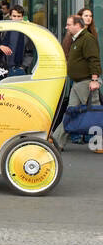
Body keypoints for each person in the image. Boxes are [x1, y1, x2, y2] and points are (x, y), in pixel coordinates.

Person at [52, 15, 101, 151]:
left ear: (78, 25)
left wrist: (94, 80)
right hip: (78, 83)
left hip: (86, 83)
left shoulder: (87, 39)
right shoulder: (77, 39)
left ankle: (99, 144)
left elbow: (94, 59)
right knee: (70, 112)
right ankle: (57, 141)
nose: (66, 27)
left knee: (95, 113)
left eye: (69, 24)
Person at [0, 3, 31, 77]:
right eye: (14, 16)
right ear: (10, 16)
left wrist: (23, 66)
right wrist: (0, 47)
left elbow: (29, 52)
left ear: (22, 17)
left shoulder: (26, 32)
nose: (16, 19)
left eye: (19, 16)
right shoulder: (3, 30)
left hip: (19, 69)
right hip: (2, 68)